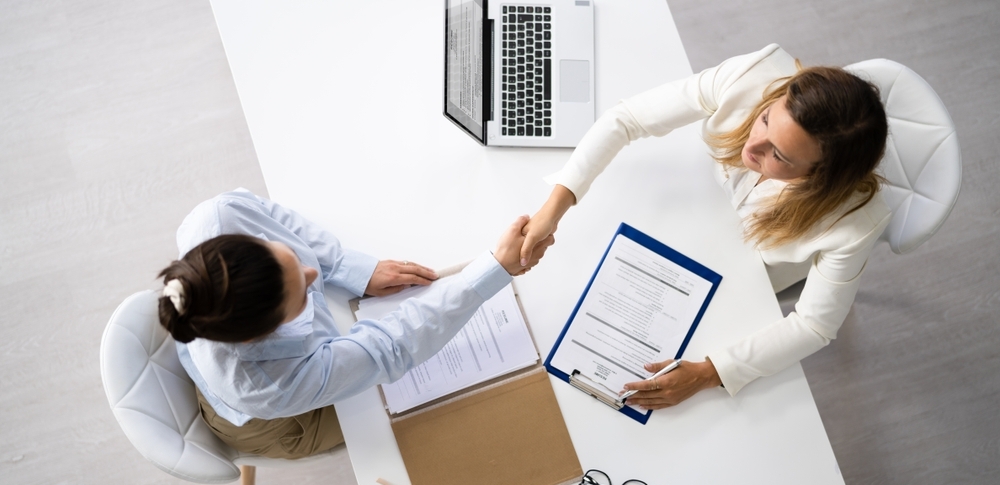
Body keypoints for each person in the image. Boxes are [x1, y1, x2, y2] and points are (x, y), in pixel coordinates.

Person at [519, 44, 890, 409]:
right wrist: (553, 209)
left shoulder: (855, 223)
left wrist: (708, 373)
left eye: (778, 155)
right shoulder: (753, 75)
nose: (752, 147)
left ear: (820, 176)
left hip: (738, 279)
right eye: (765, 119)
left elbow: (814, 326)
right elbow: (628, 118)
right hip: (685, 212)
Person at [157, 188, 553, 459]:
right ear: (259, 335)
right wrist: (494, 270)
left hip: (254, 361)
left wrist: (350, 267)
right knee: (419, 420)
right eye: (301, 294)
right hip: (274, 420)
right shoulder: (271, 385)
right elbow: (389, 348)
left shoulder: (219, 217)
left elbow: (276, 218)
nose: (313, 274)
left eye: (290, 259)